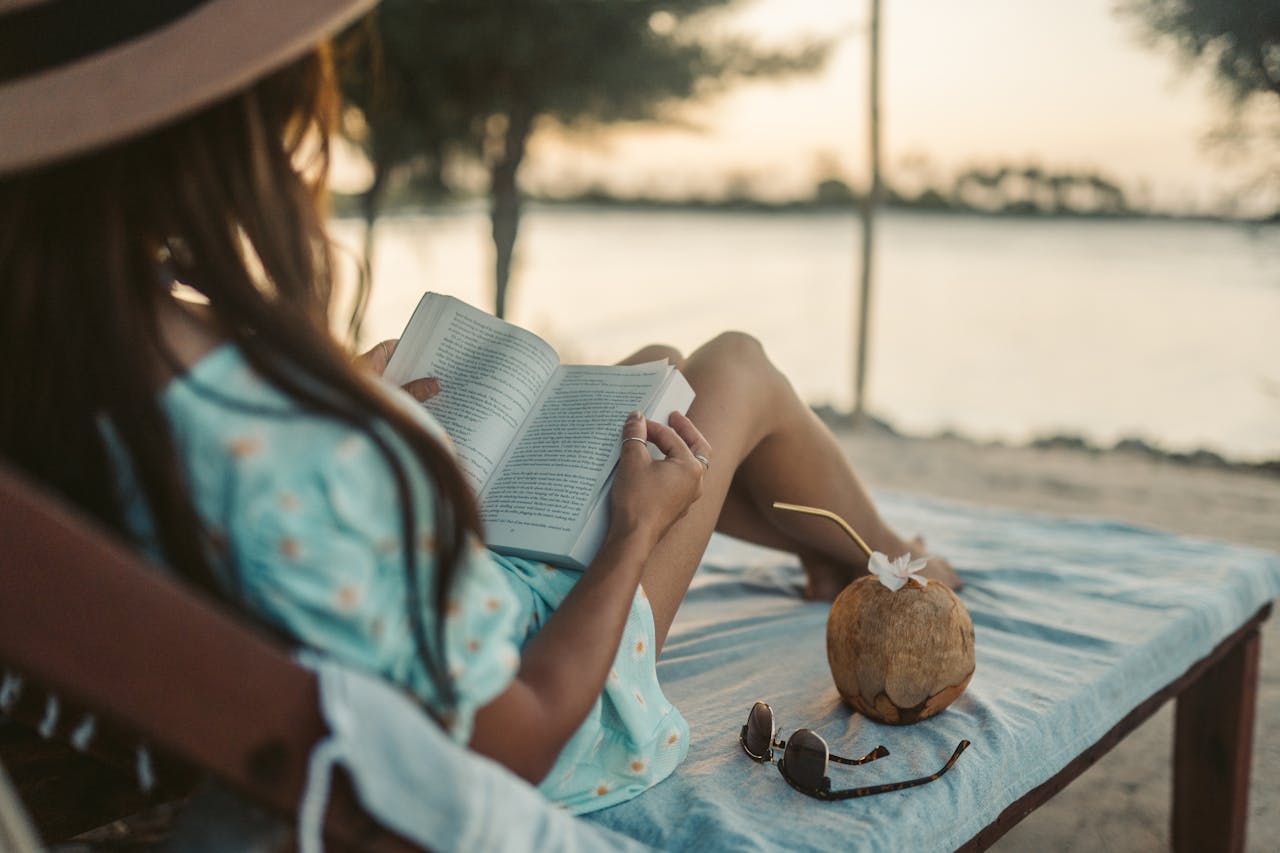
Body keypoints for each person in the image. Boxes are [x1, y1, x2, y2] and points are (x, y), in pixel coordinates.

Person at [0, 0, 956, 816]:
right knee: (732, 369)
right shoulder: (286, 459)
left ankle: (830, 548)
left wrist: (357, 412)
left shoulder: (71, 351)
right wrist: (632, 534)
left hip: (419, 615)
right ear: (214, 136)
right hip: (556, 687)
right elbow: (517, 738)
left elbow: (290, 534)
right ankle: (882, 553)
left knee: (655, 374)